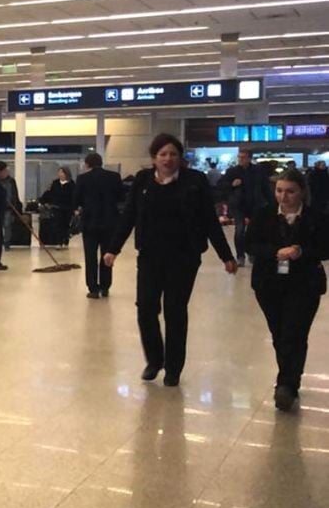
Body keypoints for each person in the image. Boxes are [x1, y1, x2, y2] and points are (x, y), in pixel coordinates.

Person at [106, 134, 237, 387]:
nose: (168, 159)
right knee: (146, 308)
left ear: (180, 157)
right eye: (163, 154)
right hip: (150, 255)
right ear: (154, 157)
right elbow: (129, 215)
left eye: (173, 154)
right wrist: (113, 249)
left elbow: (209, 220)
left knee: (175, 311)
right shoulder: (143, 180)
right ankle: (154, 360)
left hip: (184, 257)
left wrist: (226, 256)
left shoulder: (195, 181)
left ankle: (174, 367)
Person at [245, 169, 329, 412]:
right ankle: (290, 378)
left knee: (295, 332)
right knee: (280, 333)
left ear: (302, 191)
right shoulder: (263, 215)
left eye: (290, 191)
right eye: (279, 191)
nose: (284, 197)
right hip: (269, 284)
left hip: (304, 285)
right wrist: (274, 252)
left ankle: (286, 384)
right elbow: (251, 244)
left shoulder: (317, 217)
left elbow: (325, 248)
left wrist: (301, 251)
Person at [73, 153, 123, 299]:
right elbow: (121, 197)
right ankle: (105, 287)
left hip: (90, 223)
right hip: (110, 222)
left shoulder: (82, 178)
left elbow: (76, 199)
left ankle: (93, 288)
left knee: (90, 257)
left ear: (87, 164)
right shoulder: (114, 177)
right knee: (107, 255)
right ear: (101, 163)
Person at [223, 148, 273, 266]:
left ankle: (252, 253)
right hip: (238, 205)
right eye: (239, 157)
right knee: (239, 230)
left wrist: (271, 203)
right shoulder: (232, 171)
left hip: (255, 205)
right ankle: (240, 255)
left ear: (249, 159)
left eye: (243, 157)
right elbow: (222, 185)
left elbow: (265, 187)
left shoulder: (258, 171)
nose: (241, 159)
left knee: (254, 231)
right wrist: (232, 184)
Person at [40, 167, 76, 248]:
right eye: (59, 172)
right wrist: (46, 201)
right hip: (57, 207)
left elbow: (74, 196)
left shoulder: (71, 184)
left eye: (62, 172)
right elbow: (51, 193)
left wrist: (75, 207)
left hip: (68, 208)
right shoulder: (55, 183)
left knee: (66, 225)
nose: (60, 174)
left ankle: (65, 241)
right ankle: (59, 242)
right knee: (58, 224)